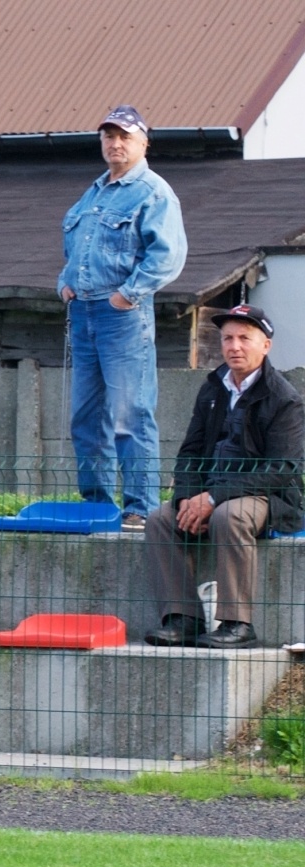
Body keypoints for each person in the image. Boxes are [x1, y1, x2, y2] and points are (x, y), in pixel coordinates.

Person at [58, 104, 187, 529]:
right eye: (109, 136)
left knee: (130, 415)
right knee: (85, 417)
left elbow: (168, 256)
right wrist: (65, 283)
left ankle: (141, 508)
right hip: (83, 313)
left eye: (125, 137)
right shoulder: (94, 192)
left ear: (144, 143)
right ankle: (96, 503)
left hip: (122, 317)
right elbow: (75, 250)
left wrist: (127, 295)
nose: (116, 143)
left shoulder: (154, 192)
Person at [144, 305, 302, 649]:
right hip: (209, 492)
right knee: (159, 519)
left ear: (266, 346)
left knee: (229, 516)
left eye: (245, 338)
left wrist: (214, 498)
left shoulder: (284, 399)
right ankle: (183, 618)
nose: (234, 346)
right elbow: (190, 452)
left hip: (267, 499)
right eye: (227, 338)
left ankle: (237, 624)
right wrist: (187, 498)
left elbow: (283, 469)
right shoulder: (212, 388)